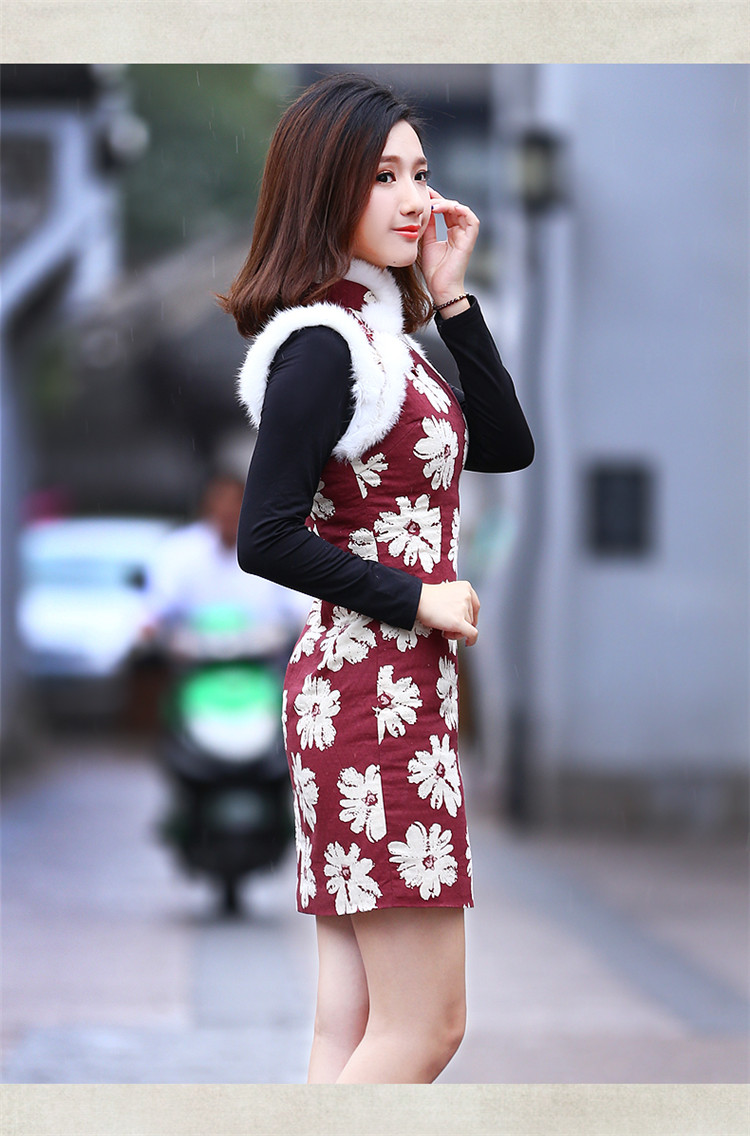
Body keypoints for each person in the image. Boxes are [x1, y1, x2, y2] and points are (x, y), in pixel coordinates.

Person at [220, 73, 534, 1085]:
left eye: (419, 173)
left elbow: (506, 445)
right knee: (425, 1026)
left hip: (384, 693)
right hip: (372, 696)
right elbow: (265, 536)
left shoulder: (382, 339)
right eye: (382, 176)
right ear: (325, 188)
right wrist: (418, 596)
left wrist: (452, 296)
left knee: (351, 1030)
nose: (414, 198)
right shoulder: (323, 345)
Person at [141, 473, 307, 638]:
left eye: (235, 503)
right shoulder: (177, 550)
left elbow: (299, 607)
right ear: (207, 508)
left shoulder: (275, 549)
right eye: (221, 502)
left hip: (265, 650)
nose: (228, 509)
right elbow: (156, 608)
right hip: (191, 650)